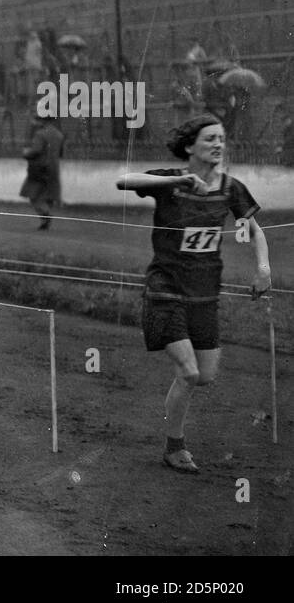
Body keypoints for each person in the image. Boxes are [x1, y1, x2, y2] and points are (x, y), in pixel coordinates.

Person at [115, 115, 272, 473]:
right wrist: (183, 179)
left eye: (221, 139)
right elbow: (123, 180)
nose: (218, 144)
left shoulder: (232, 188)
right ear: (190, 147)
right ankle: (175, 447)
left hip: (205, 294)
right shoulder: (173, 181)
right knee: (187, 373)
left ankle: (174, 425)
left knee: (205, 375)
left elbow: (255, 230)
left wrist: (263, 268)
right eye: (209, 139)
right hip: (165, 288)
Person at [20, 114, 64, 229]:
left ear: (43, 121)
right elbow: (61, 153)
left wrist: (25, 153)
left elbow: (36, 151)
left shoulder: (40, 134)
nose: (35, 122)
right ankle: (44, 221)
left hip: (39, 168)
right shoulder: (59, 135)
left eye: (38, 120)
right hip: (54, 168)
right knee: (48, 195)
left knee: (33, 194)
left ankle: (46, 214)